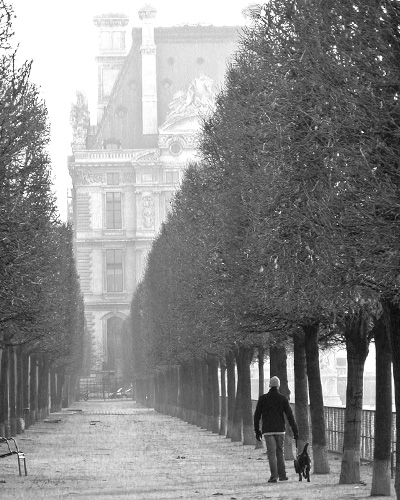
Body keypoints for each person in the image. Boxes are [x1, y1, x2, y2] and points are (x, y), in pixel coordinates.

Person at [254, 376, 299, 483]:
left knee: (271, 453)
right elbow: (290, 416)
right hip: (280, 430)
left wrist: (257, 430)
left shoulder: (263, 398)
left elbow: (257, 415)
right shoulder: (283, 398)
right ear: (278, 386)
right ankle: (282, 475)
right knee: (280, 452)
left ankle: (274, 476)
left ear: (269, 385)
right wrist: (295, 430)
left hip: (268, 430)